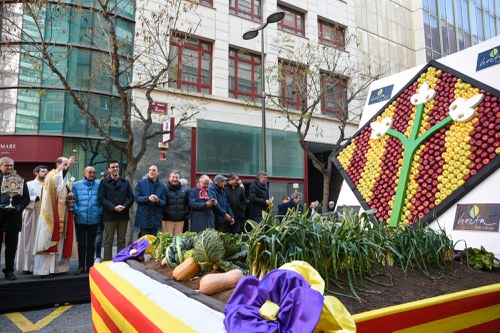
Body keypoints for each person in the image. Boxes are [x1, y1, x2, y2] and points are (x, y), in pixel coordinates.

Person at [33, 156, 75, 276]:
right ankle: (45, 270)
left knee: (60, 240)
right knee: (49, 239)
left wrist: (69, 195)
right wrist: (67, 168)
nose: (67, 166)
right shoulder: (51, 176)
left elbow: (61, 189)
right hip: (51, 215)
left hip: (61, 213)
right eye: (65, 164)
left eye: (67, 164)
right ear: (58, 164)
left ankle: (57, 269)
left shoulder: (61, 177)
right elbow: (57, 182)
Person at [0, 157, 30, 280]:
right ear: (0, 166)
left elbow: (26, 198)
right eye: (7, 165)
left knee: (11, 246)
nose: (10, 168)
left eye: (11, 165)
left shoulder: (20, 179)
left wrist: (18, 207)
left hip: (14, 217)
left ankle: (9, 271)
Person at [98, 160, 134, 261]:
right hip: (109, 215)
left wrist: (124, 206)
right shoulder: (104, 183)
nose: (115, 169)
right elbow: (101, 199)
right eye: (113, 167)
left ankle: (121, 260)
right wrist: (113, 207)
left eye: (117, 167)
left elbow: (131, 197)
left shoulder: (125, 182)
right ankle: (107, 261)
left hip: (123, 215)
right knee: (108, 240)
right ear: (109, 169)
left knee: (121, 240)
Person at [15, 165, 47, 274]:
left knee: (40, 241)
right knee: (28, 241)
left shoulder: (48, 185)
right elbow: (22, 198)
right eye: (43, 171)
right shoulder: (29, 184)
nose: (45, 173)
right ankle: (26, 266)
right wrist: (35, 198)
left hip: (43, 216)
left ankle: (38, 267)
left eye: (46, 172)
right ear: (36, 172)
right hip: (30, 214)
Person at [72, 166, 102, 274]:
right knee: (81, 244)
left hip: (94, 219)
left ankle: (90, 265)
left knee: (91, 244)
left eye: (94, 172)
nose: (92, 174)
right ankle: (80, 266)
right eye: (90, 172)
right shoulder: (76, 185)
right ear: (84, 173)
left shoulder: (100, 185)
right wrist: (77, 210)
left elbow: (102, 200)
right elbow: (73, 200)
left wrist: (100, 211)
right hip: (80, 219)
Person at [134, 165, 166, 238]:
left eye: (154, 170)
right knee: (144, 242)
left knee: (153, 242)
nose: (151, 172)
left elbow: (164, 202)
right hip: (143, 218)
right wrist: (148, 198)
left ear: (158, 173)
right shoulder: (141, 183)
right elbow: (137, 198)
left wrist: (158, 200)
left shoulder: (162, 186)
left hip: (156, 218)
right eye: (150, 170)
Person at [162, 171, 189, 236]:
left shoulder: (184, 190)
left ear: (179, 179)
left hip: (180, 220)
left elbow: (187, 204)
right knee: (167, 241)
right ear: (169, 178)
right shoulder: (164, 189)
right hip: (167, 219)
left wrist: (185, 214)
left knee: (177, 241)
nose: (175, 179)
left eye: (176, 177)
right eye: (173, 177)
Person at [93, 171, 109, 264]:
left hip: (109, 214)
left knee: (107, 236)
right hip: (100, 213)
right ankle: (98, 256)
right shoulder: (99, 185)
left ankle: (106, 256)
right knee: (99, 236)